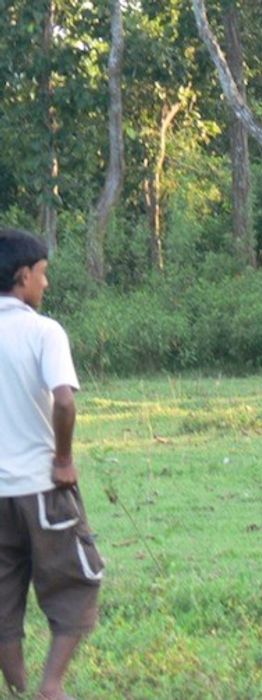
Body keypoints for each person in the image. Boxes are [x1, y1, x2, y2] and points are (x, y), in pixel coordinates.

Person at [0, 228, 104, 700]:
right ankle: (51, 685)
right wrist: (63, 460)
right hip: (42, 487)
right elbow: (64, 401)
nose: (46, 285)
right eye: (43, 275)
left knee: (3, 596)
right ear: (23, 276)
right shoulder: (44, 330)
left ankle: (18, 688)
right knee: (76, 581)